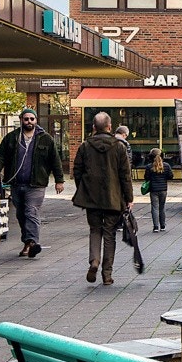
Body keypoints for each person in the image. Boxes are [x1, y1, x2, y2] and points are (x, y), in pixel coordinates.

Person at [0, 108, 66, 259]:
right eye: (26, 119)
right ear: (21, 120)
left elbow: (55, 160)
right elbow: (0, 156)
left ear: (36, 120)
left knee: (31, 211)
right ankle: (27, 241)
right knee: (21, 214)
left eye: (32, 119)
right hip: (17, 183)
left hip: (36, 184)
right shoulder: (12, 138)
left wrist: (59, 180)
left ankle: (32, 242)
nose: (29, 122)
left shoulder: (45, 139)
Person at [72, 111, 133, 285]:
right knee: (109, 234)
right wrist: (129, 198)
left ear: (93, 127)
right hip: (113, 199)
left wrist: (83, 188)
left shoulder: (85, 146)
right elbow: (125, 175)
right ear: (109, 127)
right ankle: (107, 274)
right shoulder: (119, 147)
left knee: (95, 230)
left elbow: (77, 170)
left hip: (91, 198)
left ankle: (94, 261)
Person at [143, 147, 172, 232]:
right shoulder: (166, 166)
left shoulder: (149, 166)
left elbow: (146, 177)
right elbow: (171, 176)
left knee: (154, 208)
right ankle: (163, 225)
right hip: (163, 189)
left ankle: (156, 226)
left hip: (153, 189)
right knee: (162, 207)